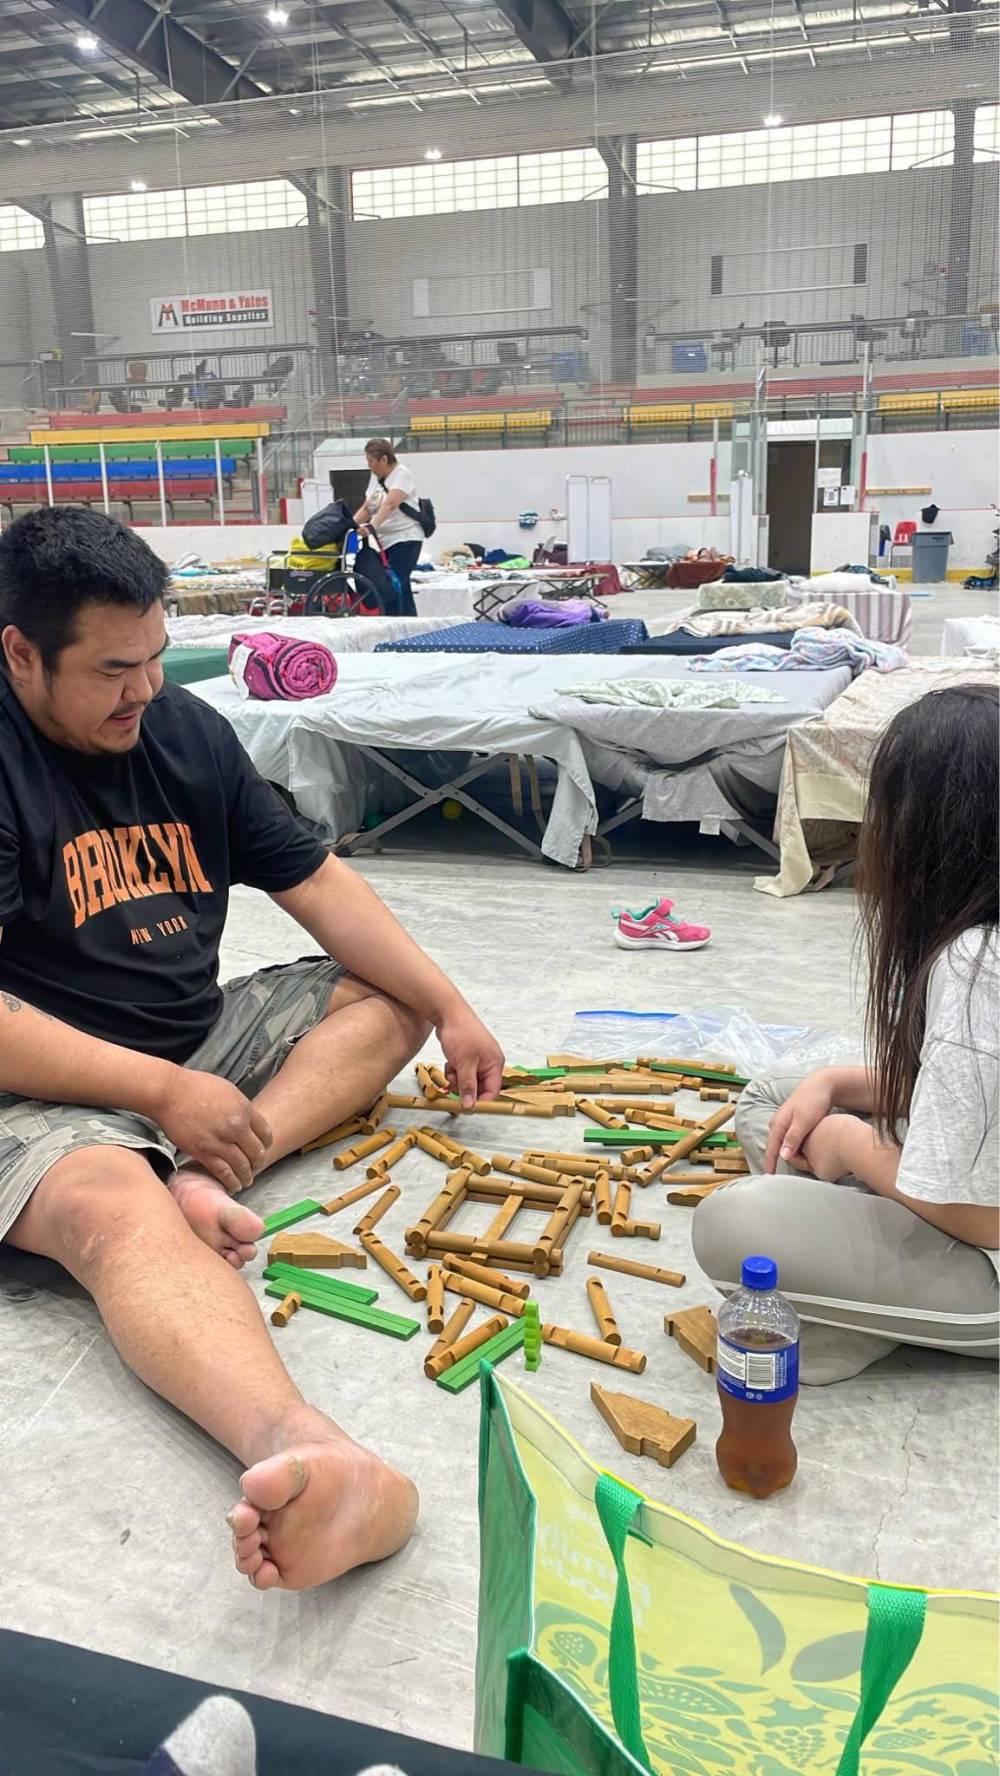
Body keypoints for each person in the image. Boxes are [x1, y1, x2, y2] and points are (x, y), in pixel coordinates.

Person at [0, 506, 504, 1589]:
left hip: (193, 1043)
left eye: (154, 655)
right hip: (39, 1086)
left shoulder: (182, 730)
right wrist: (154, 1090)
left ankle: (210, 1164)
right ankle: (305, 1447)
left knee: (387, 1002)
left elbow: (314, 881)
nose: (144, 689)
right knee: (105, 1204)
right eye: (111, 670)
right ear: (21, 655)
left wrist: (450, 1003)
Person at [694, 683, 999, 1384]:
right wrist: (830, 1086)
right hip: (976, 1198)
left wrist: (851, 1143)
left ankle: (856, 1312)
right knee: (781, 1093)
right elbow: (971, 1093)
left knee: (732, 1228)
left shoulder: (977, 964)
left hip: (989, 1264)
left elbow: (987, 1220)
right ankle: (859, 1290)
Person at [353, 437, 424, 616]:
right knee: (391, 585)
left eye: (371, 461)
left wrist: (372, 527)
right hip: (386, 542)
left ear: (384, 459)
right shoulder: (376, 478)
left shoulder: (402, 474)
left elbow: (391, 503)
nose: (369, 466)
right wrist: (350, 525)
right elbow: (369, 506)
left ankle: (403, 622)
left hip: (405, 539)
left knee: (397, 584)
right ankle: (401, 621)